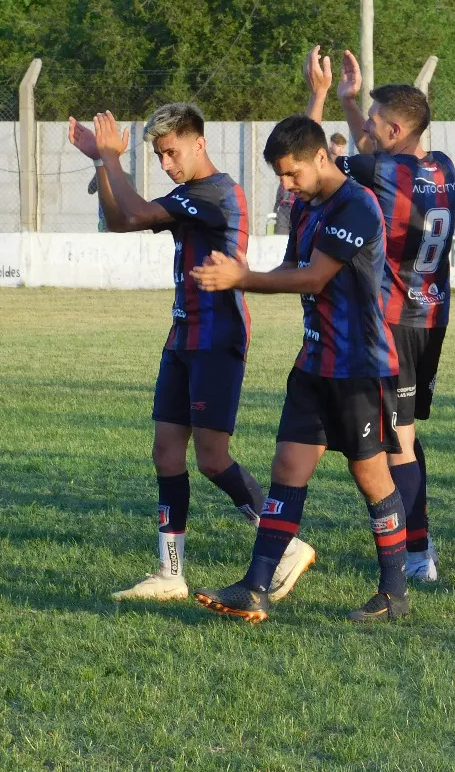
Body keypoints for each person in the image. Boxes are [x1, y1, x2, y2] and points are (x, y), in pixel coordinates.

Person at [68, 104, 314, 603]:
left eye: (171, 153)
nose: (166, 163)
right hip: (182, 335)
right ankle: (170, 572)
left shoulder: (216, 193)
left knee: (211, 458)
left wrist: (112, 157)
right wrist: (101, 162)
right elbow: (121, 223)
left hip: (217, 337)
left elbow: (134, 212)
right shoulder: (188, 195)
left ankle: (285, 542)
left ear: (198, 143)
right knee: (165, 452)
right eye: (159, 156)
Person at [189, 114, 410, 623]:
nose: (287, 186)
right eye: (280, 177)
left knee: (371, 475)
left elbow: (313, 280)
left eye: (293, 174)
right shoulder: (309, 207)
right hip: (314, 361)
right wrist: (243, 277)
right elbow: (292, 267)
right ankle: (256, 587)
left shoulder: (357, 205)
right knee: (287, 469)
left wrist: (240, 279)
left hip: (359, 367)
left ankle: (394, 592)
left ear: (320, 158)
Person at [304, 45, 455, 582]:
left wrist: (321, 97)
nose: (363, 124)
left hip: (392, 324)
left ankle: (418, 556)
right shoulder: (443, 167)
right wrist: (353, 102)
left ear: (393, 132)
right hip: (431, 318)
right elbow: (383, 157)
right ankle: (421, 548)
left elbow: (310, 161)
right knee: (407, 436)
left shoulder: (385, 173)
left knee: (398, 445)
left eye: (372, 119)